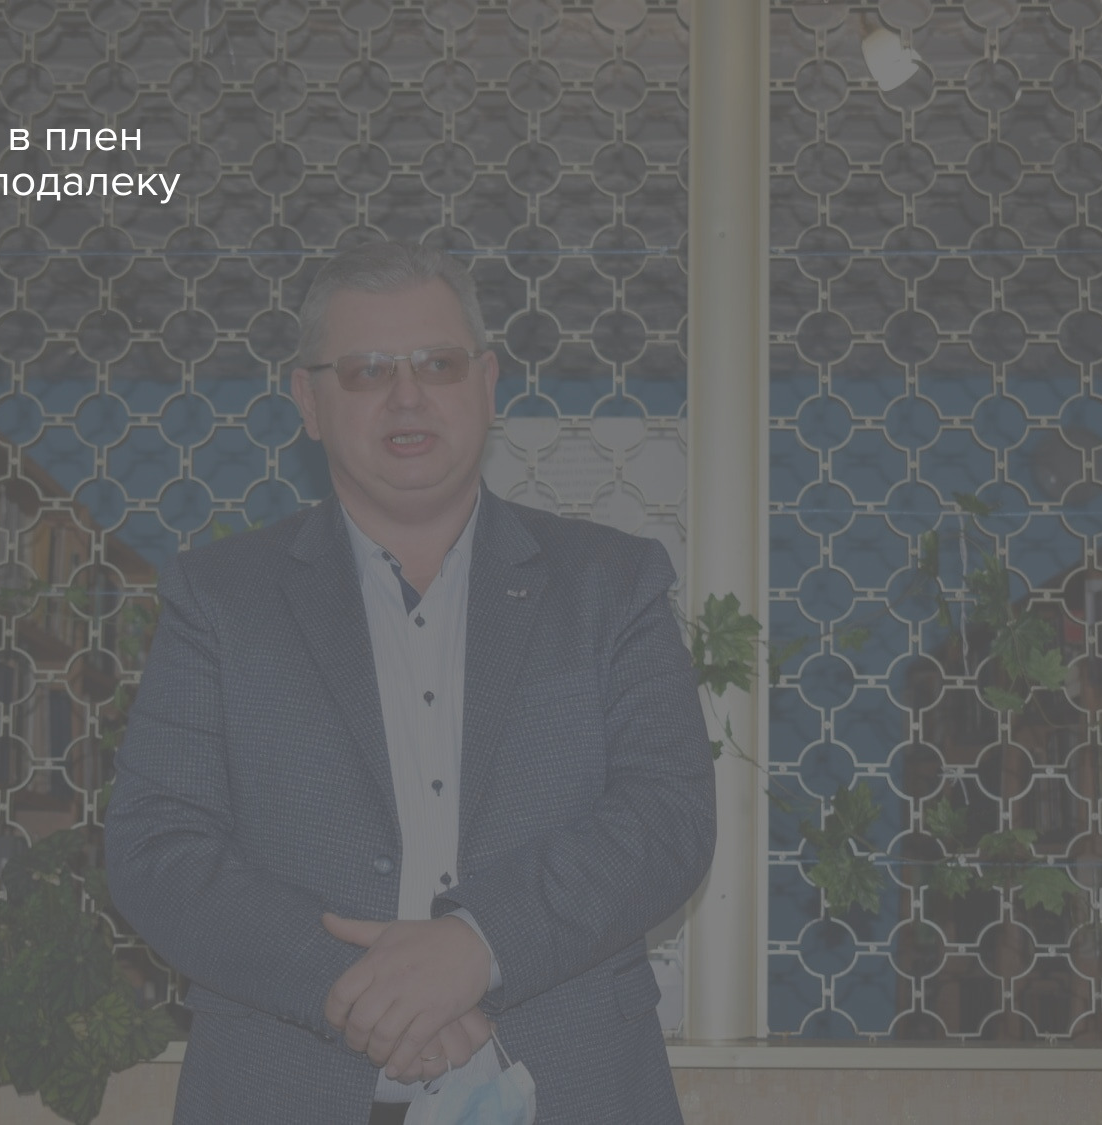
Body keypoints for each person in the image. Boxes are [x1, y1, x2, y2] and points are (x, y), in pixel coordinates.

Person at [105, 239, 715, 1124]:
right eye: (366, 370)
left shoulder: (611, 586)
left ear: (487, 383)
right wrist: (368, 989)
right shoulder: (219, 600)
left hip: (577, 1089)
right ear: (309, 401)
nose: (406, 395)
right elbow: (158, 848)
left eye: (437, 363)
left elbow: (668, 814)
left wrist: (477, 945)